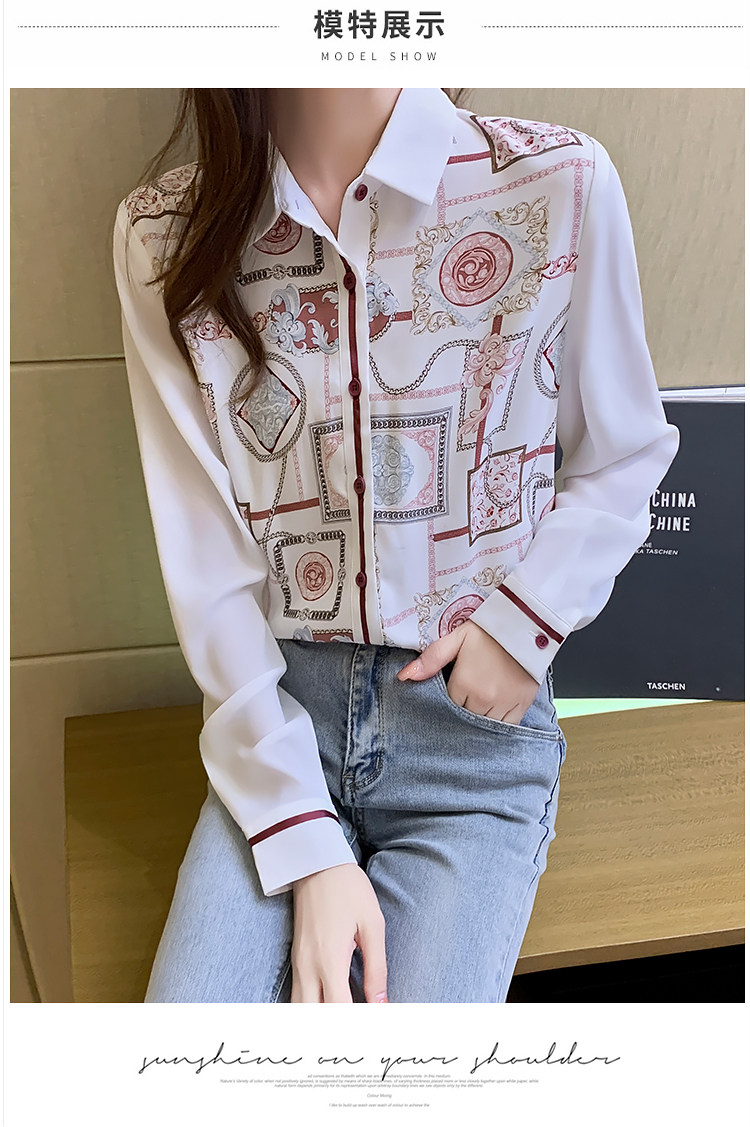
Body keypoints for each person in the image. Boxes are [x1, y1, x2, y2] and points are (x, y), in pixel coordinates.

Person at [112, 87, 680, 1003]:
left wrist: (520, 628)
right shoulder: (165, 236)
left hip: (467, 739)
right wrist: (306, 842)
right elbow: (206, 563)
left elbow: (625, 453)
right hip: (279, 719)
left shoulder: (555, 182)